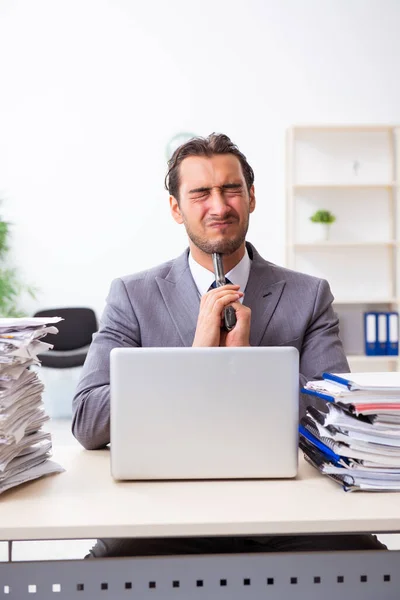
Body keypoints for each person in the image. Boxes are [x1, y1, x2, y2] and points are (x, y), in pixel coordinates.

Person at [72, 133, 384, 556]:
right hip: (165, 513)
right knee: (97, 574)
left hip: (290, 510)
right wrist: (195, 363)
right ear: (176, 208)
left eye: (231, 190)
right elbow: (88, 421)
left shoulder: (308, 294)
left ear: (251, 197)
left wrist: (248, 366)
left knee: (374, 566)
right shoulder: (133, 295)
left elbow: (335, 417)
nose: (218, 207)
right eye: (200, 193)